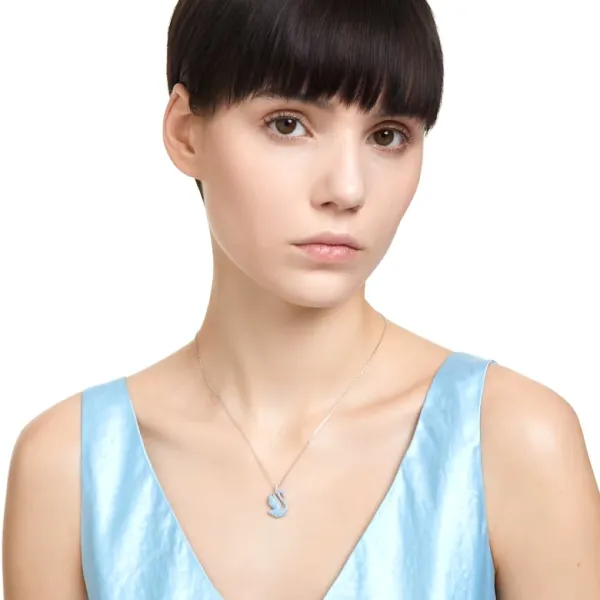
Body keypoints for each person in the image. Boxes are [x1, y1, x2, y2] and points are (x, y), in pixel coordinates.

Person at [3, 0, 600, 598]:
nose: (347, 188)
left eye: (387, 136)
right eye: (288, 124)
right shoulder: (70, 466)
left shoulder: (512, 440)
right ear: (185, 132)